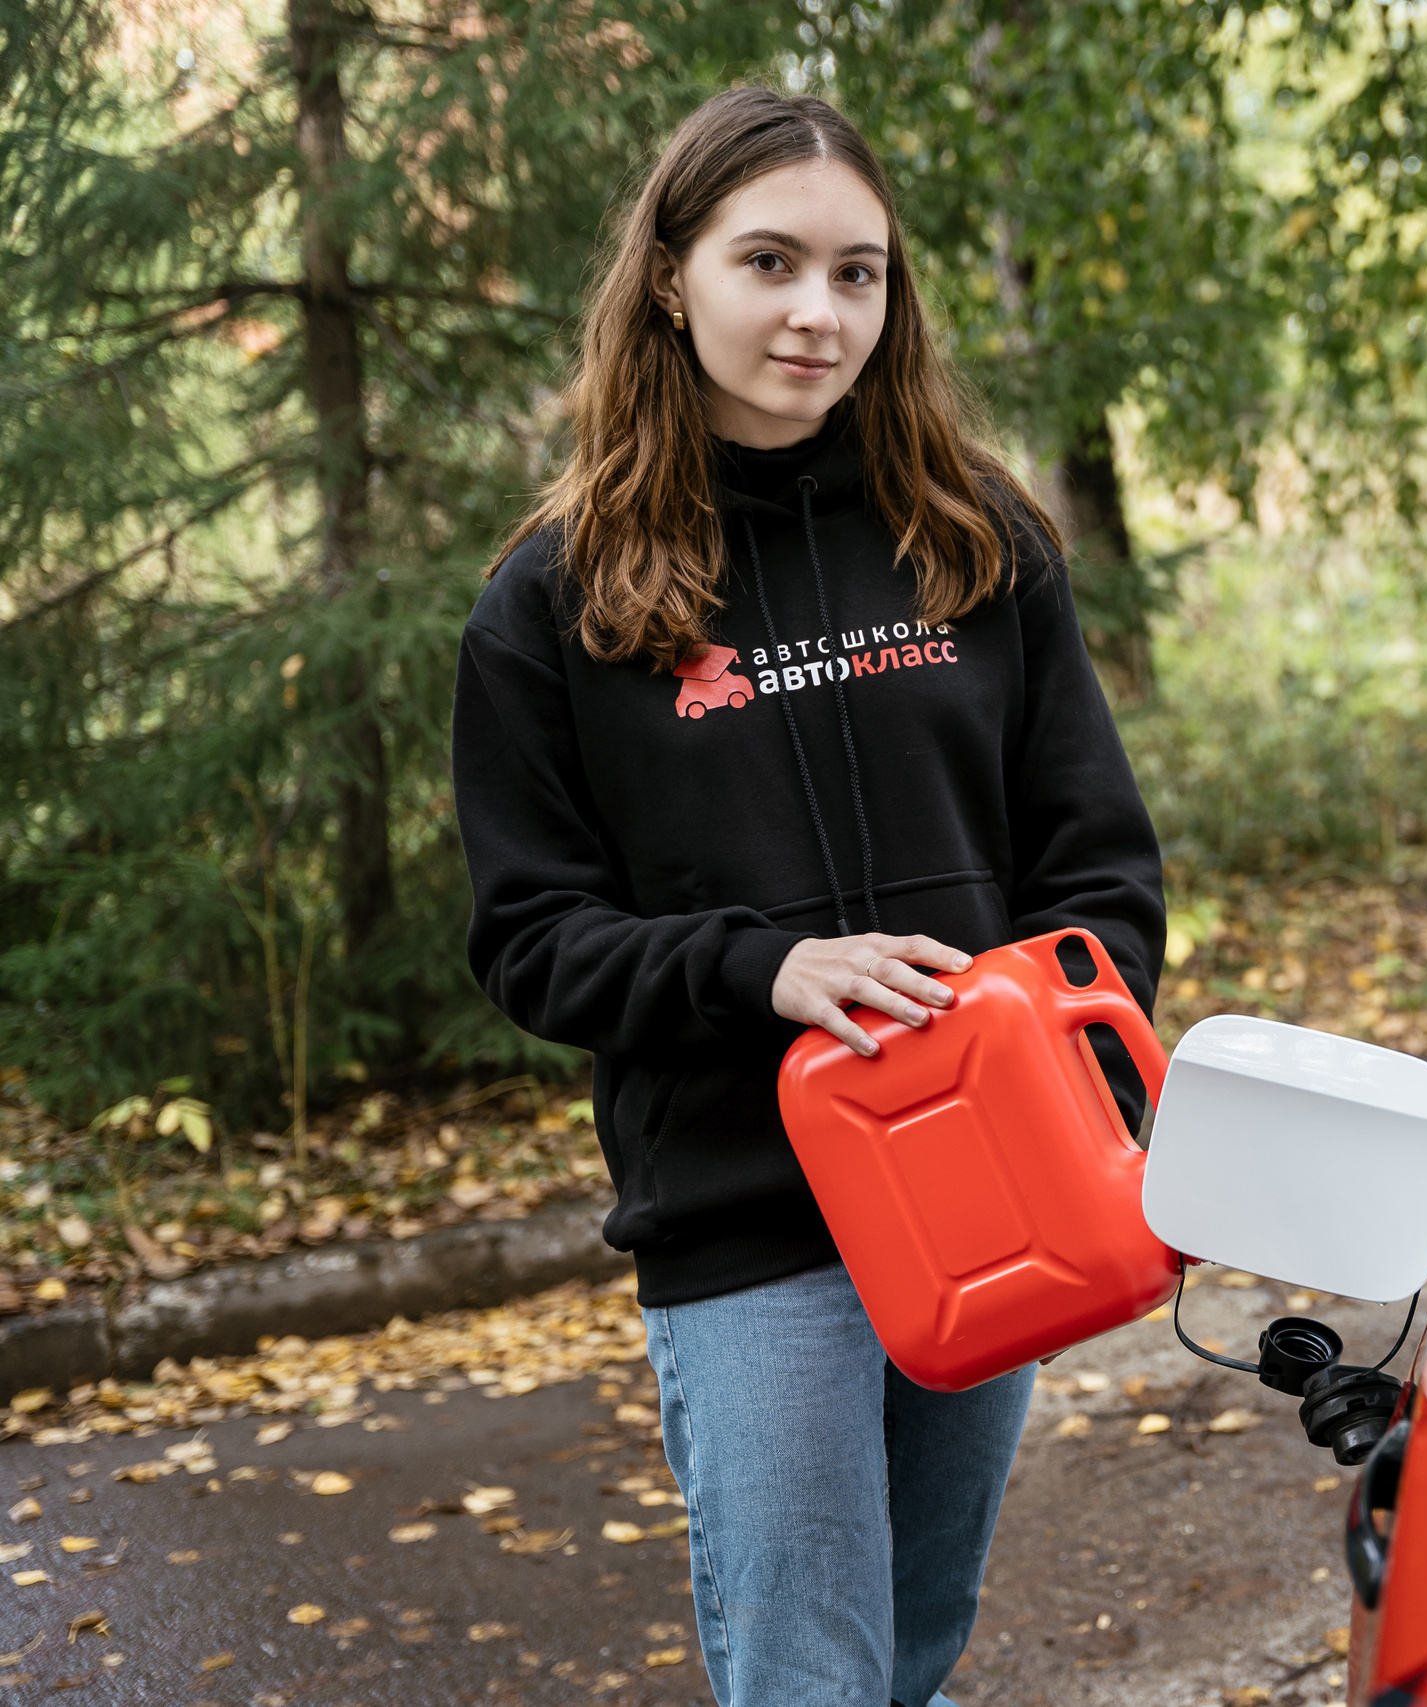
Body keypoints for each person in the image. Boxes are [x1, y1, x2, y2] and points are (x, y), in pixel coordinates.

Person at [450, 88, 1163, 1707]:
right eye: (768, 262)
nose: (817, 314)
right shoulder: (554, 600)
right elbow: (531, 938)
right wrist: (764, 973)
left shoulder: (979, 541)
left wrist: (1055, 1069)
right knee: (810, 1676)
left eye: (859, 273)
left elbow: (1100, 873)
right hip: (745, 1215)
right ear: (669, 277)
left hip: (997, 1189)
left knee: (909, 1649)